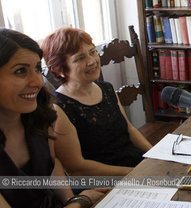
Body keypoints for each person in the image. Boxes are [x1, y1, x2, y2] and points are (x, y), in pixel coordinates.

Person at [0, 28, 107, 207]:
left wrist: (70, 199)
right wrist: (82, 201)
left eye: (36, 69)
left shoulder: (40, 114)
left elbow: (51, 163)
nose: (38, 82)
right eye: (20, 71)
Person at [41, 27, 152, 176]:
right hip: (103, 181)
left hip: (134, 166)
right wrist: (133, 173)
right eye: (80, 58)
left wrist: (154, 156)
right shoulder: (59, 108)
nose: (92, 61)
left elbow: (129, 129)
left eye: (93, 52)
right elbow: (77, 167)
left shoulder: (107, 88)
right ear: (58, 69)